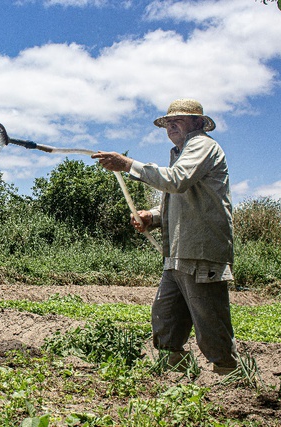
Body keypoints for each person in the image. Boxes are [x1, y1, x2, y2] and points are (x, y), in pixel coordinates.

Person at [91, 98, 238, 374]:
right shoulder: (181, 152)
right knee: (165, 319)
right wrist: (154, 217)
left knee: (210, 325)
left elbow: (176, 180)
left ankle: (230, 379)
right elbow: (179, 198)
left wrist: (127, 164)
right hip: (178, 252)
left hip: (201, 252)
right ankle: (176, 376)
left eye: (178, 120)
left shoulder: (202, 145)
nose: (170, 125)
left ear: (197, 123)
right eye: (168, 122)